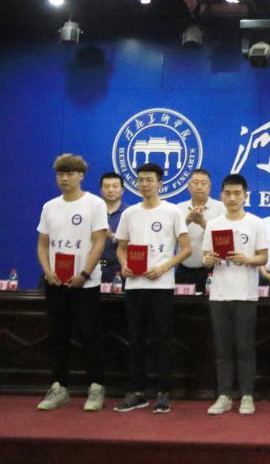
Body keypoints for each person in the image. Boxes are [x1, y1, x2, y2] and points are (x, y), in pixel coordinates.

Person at [114, 163, 191, 414]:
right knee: (135, 339)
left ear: (160, 183)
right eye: (140, 180)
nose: (144, 184)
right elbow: (121, 248)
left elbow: (186, 249)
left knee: (162, 339)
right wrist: (124, 265)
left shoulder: (172, 211)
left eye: (149, 180)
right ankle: (137, 392)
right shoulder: (130, 213)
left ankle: (163, 392)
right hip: (134, 285)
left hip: (161, 285)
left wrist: (164, 267)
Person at [35, 154, 109, 412]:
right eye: (60, 174)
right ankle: (59, 387)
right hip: (56, 283)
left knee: (90, 335)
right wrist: (48, 271)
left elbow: (99, 242)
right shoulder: (50, 206)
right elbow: (43, 244)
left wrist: (85, 274)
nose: (64, 179)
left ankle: (96, 387)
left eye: (69, 174)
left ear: (81, 176)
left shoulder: (95, 204)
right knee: (58, 336)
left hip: (85, 284)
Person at [202, 174, 268, 416]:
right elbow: (205, 258)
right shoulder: (213, 224)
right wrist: (209, 259)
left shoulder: (256, 223)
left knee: (244, 347)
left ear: (245, 196)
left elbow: (263, 257)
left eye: (237, 193)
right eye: (228, 193)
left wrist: (247, 259)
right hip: (219, 294)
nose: (232, 198)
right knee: (223, 349)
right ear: (221, 195)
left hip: (245, 294)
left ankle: (247, 395)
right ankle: (224, 395)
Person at [177, 170, 225, 292]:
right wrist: (186, 222)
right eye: (195, 183)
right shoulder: (178, 208)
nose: (199, 187)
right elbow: (170, 237)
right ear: (188, 186)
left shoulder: (221, 208)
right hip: (184, 268)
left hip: (212, 270)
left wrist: (203, 223)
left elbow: (225, 239)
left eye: (203, 183)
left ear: (209, 187)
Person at [98, 172, 127, 283]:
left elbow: (137, 243)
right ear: (101, 190)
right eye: (106, 186)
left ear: (122, 190)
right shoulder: (93, 212)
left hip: (120, 270)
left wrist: (112, 236)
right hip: (94, 268)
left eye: (115, 186)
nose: (110, 190)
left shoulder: (129, 213)